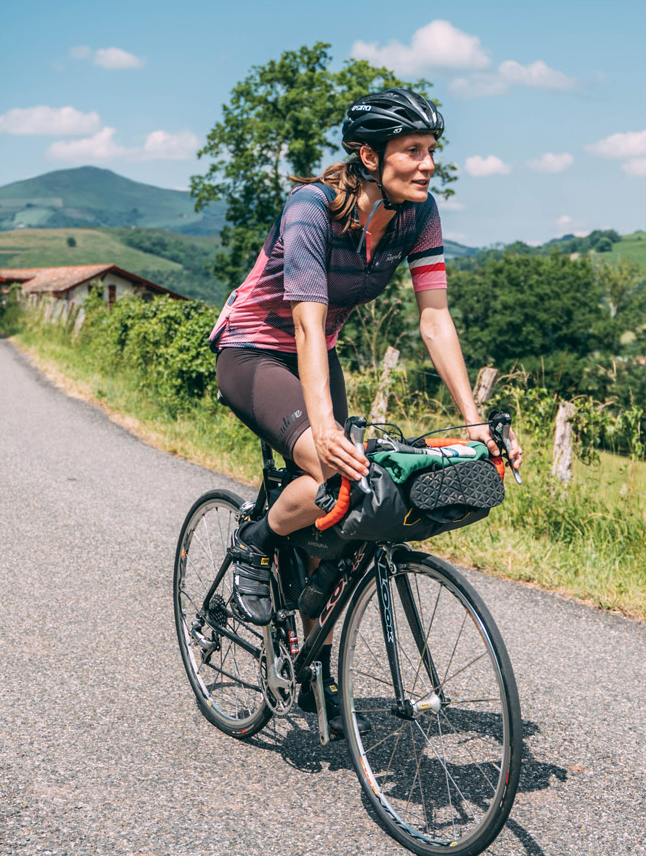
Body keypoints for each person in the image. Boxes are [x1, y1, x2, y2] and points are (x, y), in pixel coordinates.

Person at [208, 88, 524, 737]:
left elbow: (434, 320)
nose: (428, 163)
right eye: (413, 151)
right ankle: (254, 545)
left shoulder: (418, 216)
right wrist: (323, 429)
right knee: (331, 470)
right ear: (368, 154)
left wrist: (474, 421)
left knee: (356, 499)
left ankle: (305, 641)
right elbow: (305, 321)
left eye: (431, 150)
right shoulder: (311, 209)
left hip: (316, 355)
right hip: (254, 352)